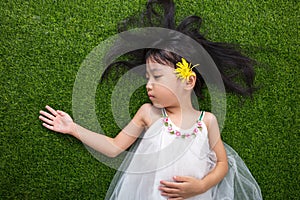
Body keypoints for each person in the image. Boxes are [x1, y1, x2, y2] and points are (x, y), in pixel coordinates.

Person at [39, 0, 262, 199]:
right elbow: (114, 147)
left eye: (157, 76)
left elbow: (222, 164)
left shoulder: (208, 122)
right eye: (147, 77)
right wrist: (73, 128)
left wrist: (202, 185)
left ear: (188, 81)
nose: (148, 85)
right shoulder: (149, 113)